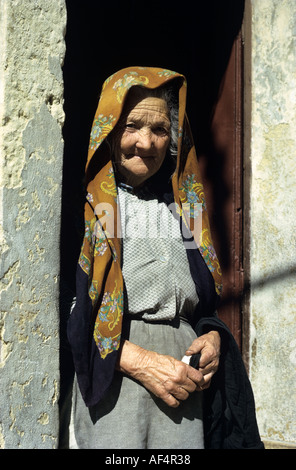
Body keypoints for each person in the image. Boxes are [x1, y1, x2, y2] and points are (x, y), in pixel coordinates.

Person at [67, 66, 264, 449]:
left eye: (159, 130)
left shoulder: (185, 210)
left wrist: (212, 337)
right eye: (132, 126)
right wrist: (139, 361)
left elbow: (203, 304)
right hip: (113, 372)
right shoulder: (86, 209)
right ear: (109, 129)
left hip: (185, 379)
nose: (146, 142)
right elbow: (61, 309)